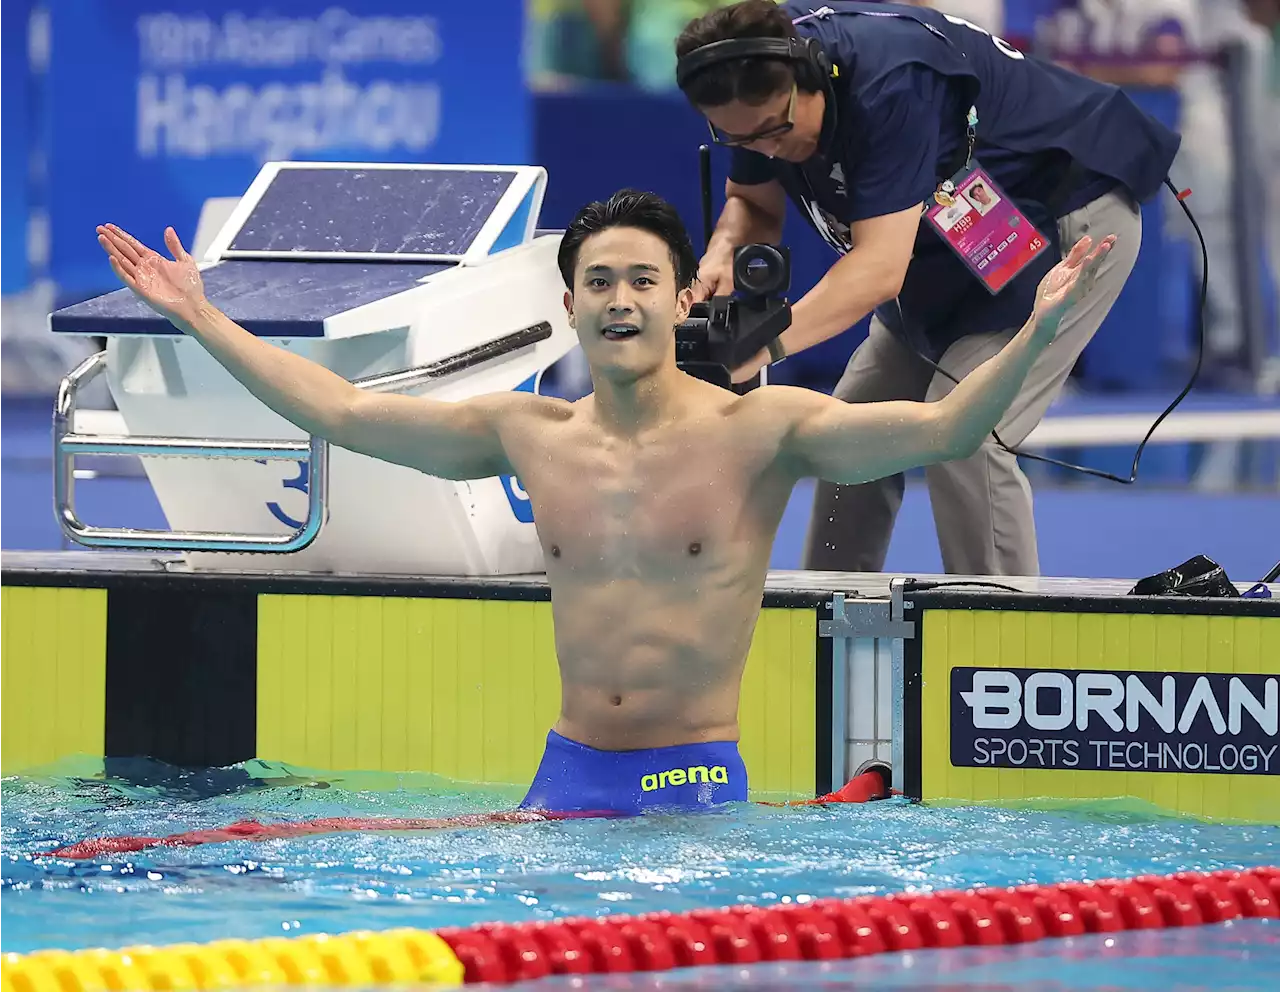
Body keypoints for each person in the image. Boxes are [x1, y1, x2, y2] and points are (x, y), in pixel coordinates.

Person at [94, 189, 1114, 815]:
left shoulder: (759, 433)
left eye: (640, 279)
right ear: (568, 303)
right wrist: (199, 315)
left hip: (692, 781)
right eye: (597, 281)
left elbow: (937, 432)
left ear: (680, 301)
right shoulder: (526, 434)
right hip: (563, 773)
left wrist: (1032, 329)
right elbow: (347, 411)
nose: (619, 298)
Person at [674, 0, 1182, 577]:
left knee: (970, 434)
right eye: (739, 138)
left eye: (775, 131)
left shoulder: (892, 88)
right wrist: (721, 252)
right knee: (848, 433)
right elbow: (751, 204)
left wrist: (763, 347)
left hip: (1063, 226)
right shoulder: (751, 80)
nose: (764, 148)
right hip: (946, 250)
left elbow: (877, 271)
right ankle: (830, 624)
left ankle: (997, 645)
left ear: (809, 74)